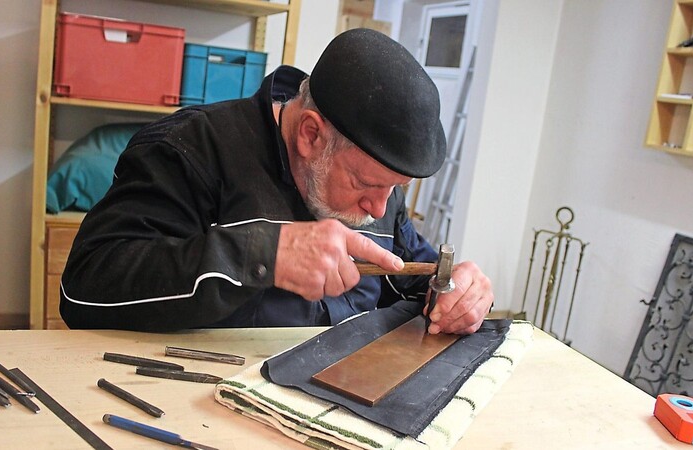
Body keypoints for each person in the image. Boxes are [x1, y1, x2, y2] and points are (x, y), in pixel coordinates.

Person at [59, 28, 494, 334]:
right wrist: (262, 254)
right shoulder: (189, 150)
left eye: (395, 189)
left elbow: (417, 277)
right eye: (365, 184)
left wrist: (458, 295)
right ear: (310, 134)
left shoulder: (378, 184)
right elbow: (83, 289)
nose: (380, 208)